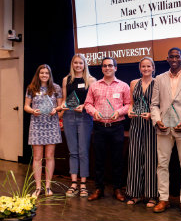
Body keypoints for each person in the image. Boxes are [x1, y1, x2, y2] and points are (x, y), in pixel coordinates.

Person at [150, 47, 181, 216]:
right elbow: (154, 104)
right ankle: (163, 198)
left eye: (177, 56)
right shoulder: (159, 79)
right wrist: (157, 120)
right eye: (171, 57)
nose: (174, 59)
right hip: (163, 128)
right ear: (167, 59)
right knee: (162, 164)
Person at [84, 57, 130, 202]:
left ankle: (117, 189)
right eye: (105, 66)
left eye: (110, 65)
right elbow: (87, 104)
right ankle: (99, 189)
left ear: (115, 68)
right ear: (102, 68)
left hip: (116, 127)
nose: (107, 68)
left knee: (117, 160)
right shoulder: (95, 86)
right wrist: (93, 112)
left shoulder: (123, 86)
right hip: (99, 127)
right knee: (99, 160)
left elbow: (129, 104)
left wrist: (120, 112)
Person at [24, 64, 62, 197]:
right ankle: (38, 187)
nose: (44, 75)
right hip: (36, 125)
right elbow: (26, 106)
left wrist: (55, 110)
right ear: (38, 74)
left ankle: (48, 187)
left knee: (50, 156)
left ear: (50, 74)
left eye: (47, 73)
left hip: (51, 125)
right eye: (42, 73)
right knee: (37, 157)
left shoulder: (56, 88)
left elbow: (60, 106)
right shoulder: (31, 88)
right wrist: (32, 111)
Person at [61, 54, 96, 197]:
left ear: (84, 65)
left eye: (80, 63)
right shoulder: (66, 80)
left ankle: (83, 184)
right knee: (73, 151)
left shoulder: (91, 80)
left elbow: (93, 102)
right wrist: (62, 107)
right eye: (75, 63)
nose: (78, 65)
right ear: (72, 64)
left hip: (84, 117)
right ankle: (74, 183)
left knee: (83, 151)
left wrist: (83, 106)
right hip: (69, 116)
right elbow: (64, 100)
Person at [125, 57, 158, 207]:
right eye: (143, 66)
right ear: (140, 68)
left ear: (153, 68)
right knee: (135, 158)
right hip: (136, 124)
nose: (145, 69)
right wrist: (130, 111)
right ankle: (134, 194)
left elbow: (161, 105)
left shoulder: (157, 83)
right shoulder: (133, 83)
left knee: (151, 160)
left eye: (148, 66)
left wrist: (152, 115)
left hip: (151, 125)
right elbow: (132, 104)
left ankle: (152, 196)